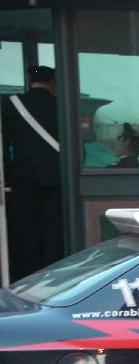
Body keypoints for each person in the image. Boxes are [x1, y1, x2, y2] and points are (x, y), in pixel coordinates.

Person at [1, 65, 63, 281]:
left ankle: (27, 279)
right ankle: (52, 277)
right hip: (57, 180)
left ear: (30, 81)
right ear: (52, 83)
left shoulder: (12, 104)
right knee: (53, 235)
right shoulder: (60, 106)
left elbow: (4, 144)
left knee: (25, 236)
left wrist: (8, 176)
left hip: (23, 181)